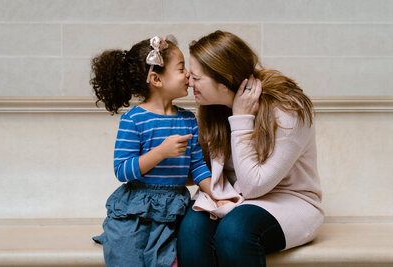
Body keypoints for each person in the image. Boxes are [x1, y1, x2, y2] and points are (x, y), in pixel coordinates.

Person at [177, 30, 324, 267]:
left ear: (223, 78)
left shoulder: (288, 108)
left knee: (235, 231)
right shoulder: (213, 109)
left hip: (289, 201)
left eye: (196, 77)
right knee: (191, 231)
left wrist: (241, 118)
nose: (189, 82)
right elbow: (200, 173)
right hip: (231, 196)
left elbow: (254, 185)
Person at [90, 35, 214, 267]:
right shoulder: (134, 120)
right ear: (156, 79)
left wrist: (217, 194)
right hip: (136, 209)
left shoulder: (188, 119)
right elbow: (122, 170)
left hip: (174, 208)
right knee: (127, 257)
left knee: (170, 258)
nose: (188, 74)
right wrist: (161, 152)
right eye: (181, 69)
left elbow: (197, 166)